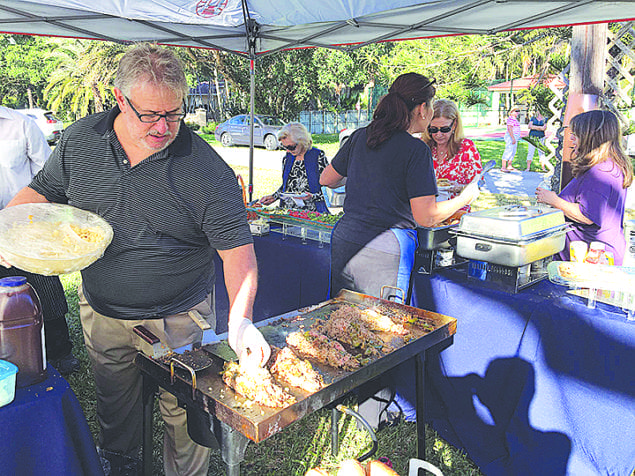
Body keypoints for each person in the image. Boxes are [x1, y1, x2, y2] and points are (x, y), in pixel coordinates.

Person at [2, 43, 270, 476]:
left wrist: (240, 322)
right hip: (104, 310)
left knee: (186, 415)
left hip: (180, 317)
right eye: (150, 114)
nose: (164, 127)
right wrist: (7, 230)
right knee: (115, 404)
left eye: (175, 113)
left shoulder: (206, 171)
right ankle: (123, 463)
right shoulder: (80, 140)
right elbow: (41, 192)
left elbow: (238, 255)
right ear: (119, 99)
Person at [320, 72, 479, 429]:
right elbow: (426, 217)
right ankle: (371, 414)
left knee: (343, 321)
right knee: (379, 331)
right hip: (387, 248)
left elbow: (327, 179)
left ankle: (338, 397)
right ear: (421, 109)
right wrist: (464, 197)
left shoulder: (362, 136)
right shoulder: (415, 149)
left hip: (346, 238)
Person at [0, 106, 80, 376]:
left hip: (25, 223)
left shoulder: (21, 125)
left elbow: (48, 175)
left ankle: (60, 351)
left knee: (43, 286)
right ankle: (10, 353)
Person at [536, 110, 633, 265]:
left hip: (592, 259)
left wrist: (553, 200)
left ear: (592, 137)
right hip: (593, 254)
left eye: (577, 134)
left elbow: (587, 216)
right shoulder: (607, 165)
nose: (571, 138)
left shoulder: (601, 172)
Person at [423, 98, 482, 208]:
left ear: (454, 125)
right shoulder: (423, 146)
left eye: (444, 129)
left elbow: (477, 184)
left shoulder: (466, 148)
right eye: (433, 129)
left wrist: (459, 187)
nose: (438, 134)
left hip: (455, 212)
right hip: (426, 211)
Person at [259, 122, 329, 213]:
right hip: (289, 213)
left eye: (291, 147)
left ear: (302, 141)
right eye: (284, 147)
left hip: (312, 214)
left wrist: (313, 197)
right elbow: (288, 186)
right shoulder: (288, 157)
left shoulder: (318, 156)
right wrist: (274, 197)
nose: (288, 150)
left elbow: (329, 188)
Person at [501, 106, 521, 172]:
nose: (517, 113)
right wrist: (513, 138)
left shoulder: (514, 119)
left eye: (518, 111)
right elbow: (510, 129)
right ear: (511, 112)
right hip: (511, 136)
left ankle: (509, 165)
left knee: (513, 151)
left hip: (515, 136)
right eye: (515, 111)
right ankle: (503, 166)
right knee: (509, 150)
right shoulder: (511, 119)